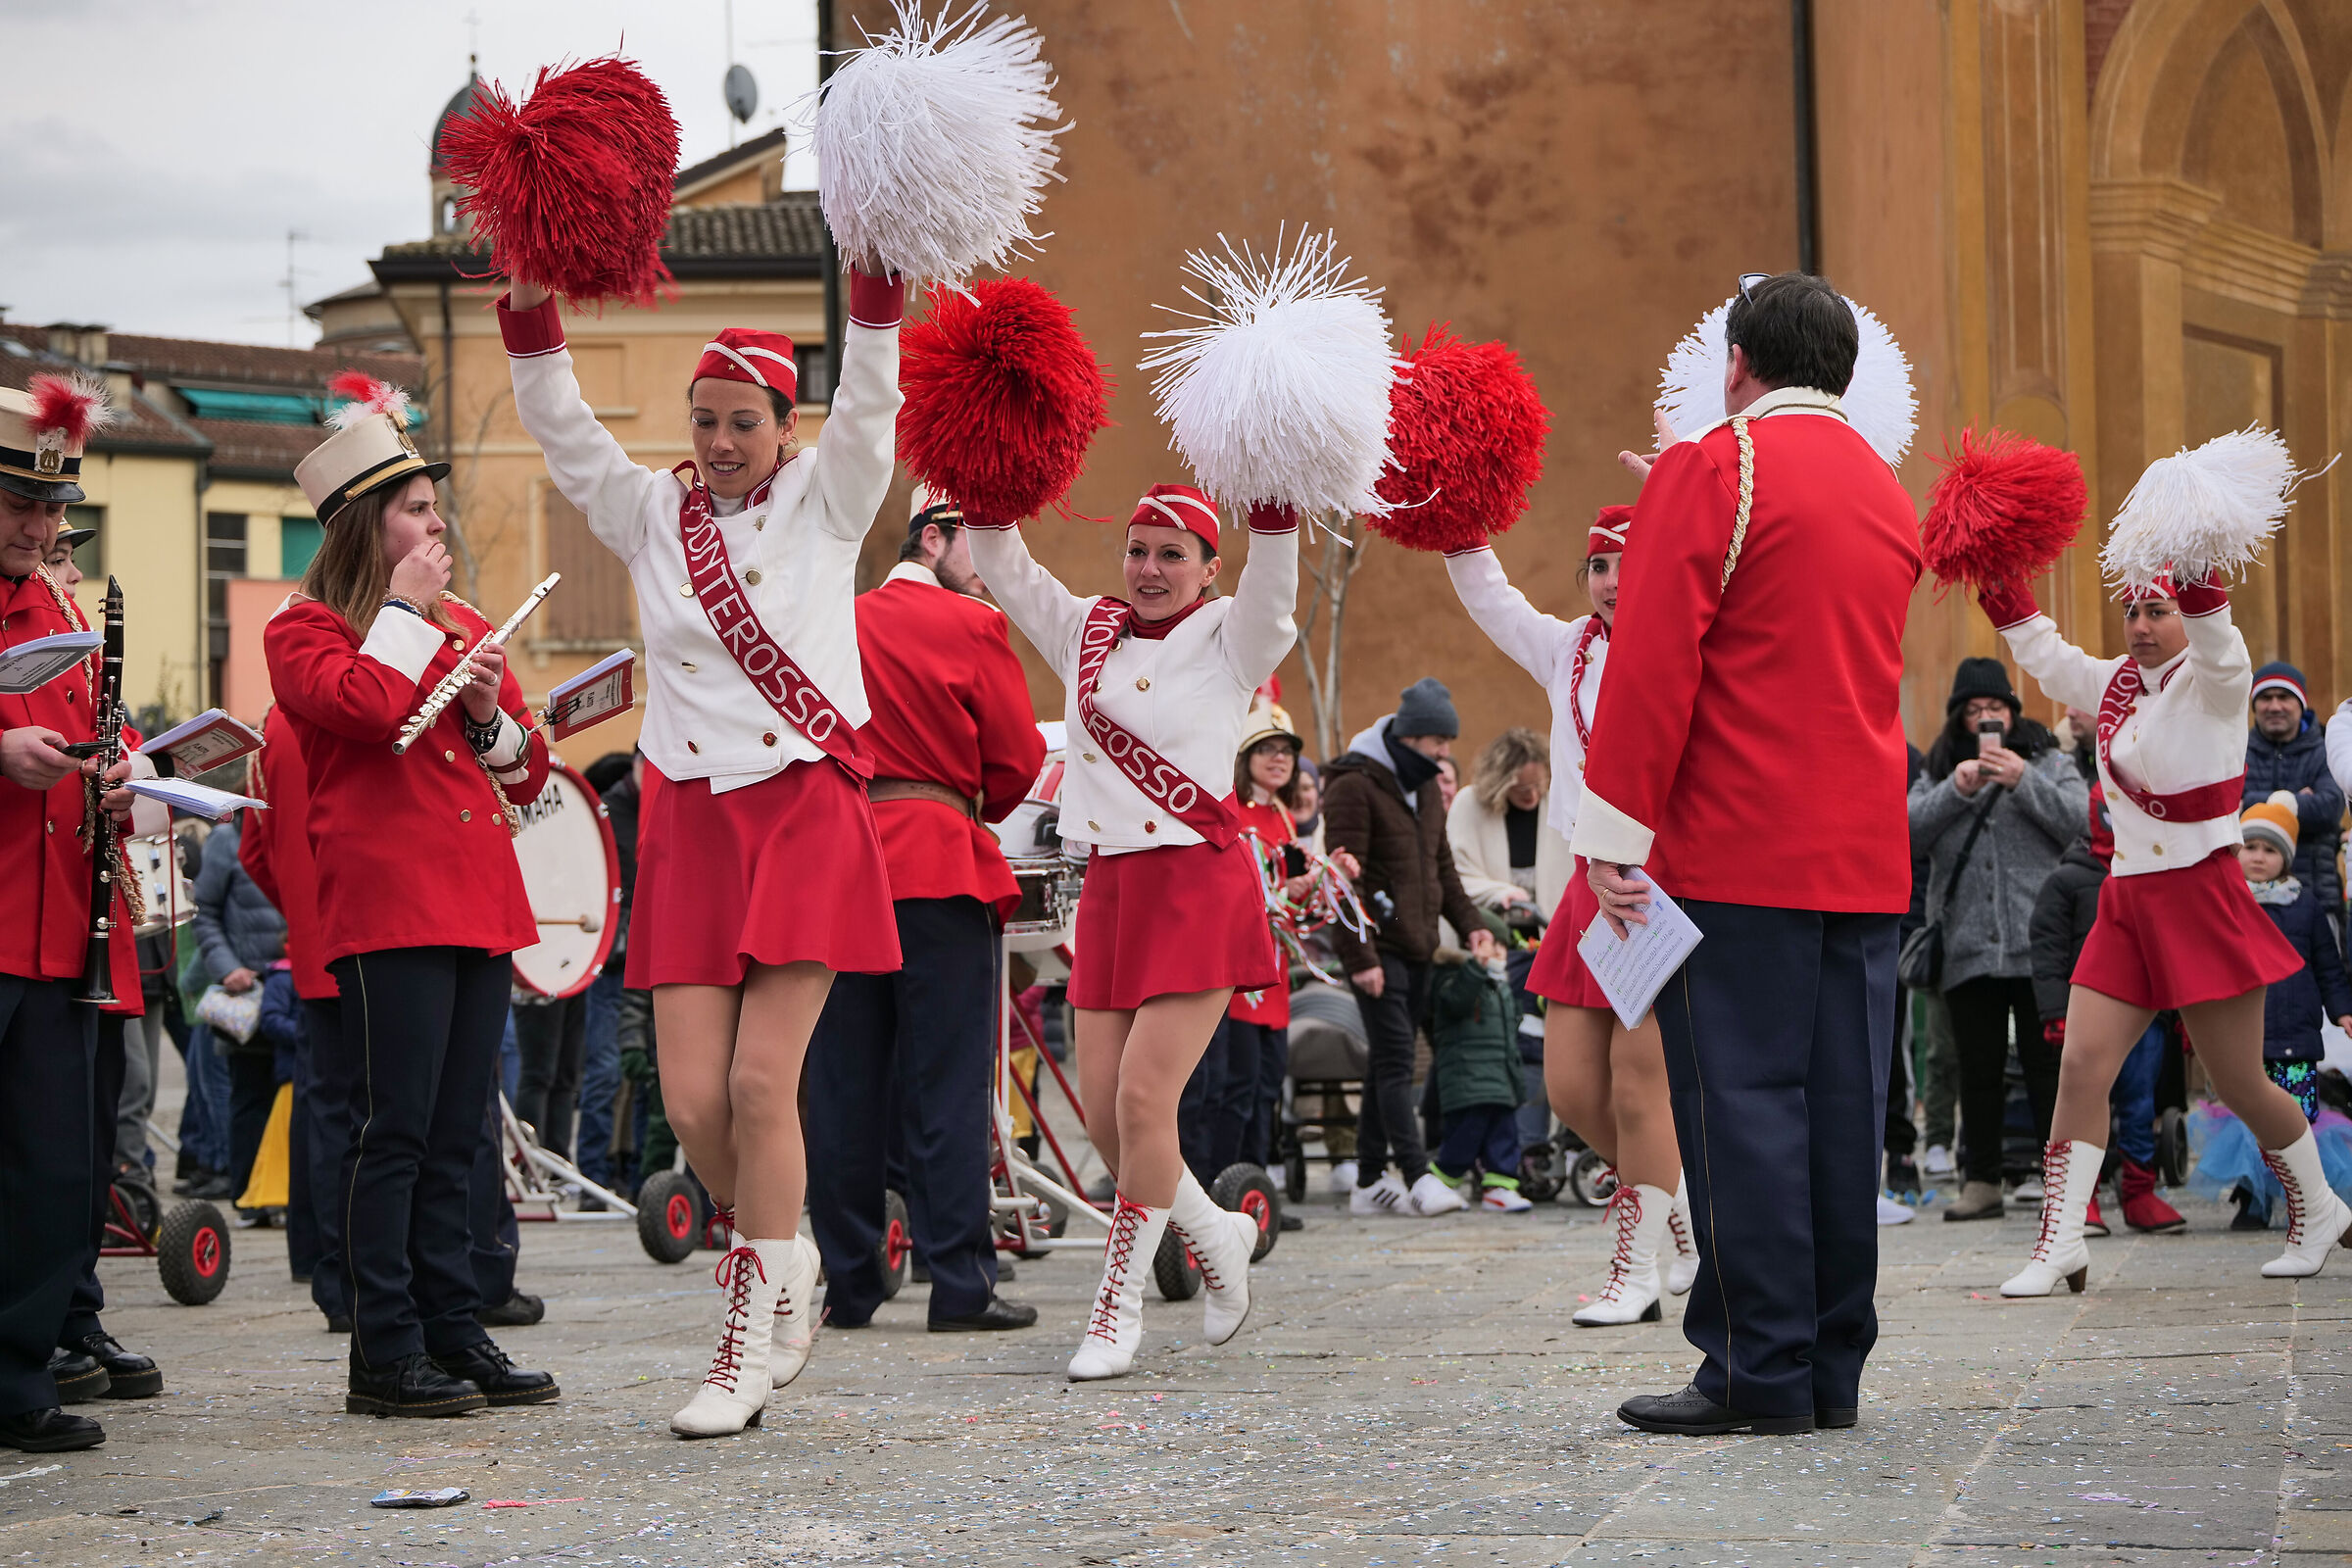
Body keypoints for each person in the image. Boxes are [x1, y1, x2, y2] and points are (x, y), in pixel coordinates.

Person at [501, 262, 906, 1437]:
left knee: (759, 1081)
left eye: (744, 423)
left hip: (801, 806)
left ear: (789, 428)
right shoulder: (648, 513)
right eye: (706, 421)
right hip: (688, 813)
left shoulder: (830, 498)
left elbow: (872, 397)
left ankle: (739, 1338)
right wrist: (531, 308)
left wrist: (876, 284)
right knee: (689, 1104)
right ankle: (791, 1265)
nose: (721, 441)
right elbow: (563, 429)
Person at [1577, 273, 1920, 1435]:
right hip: (1862, 851)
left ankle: (1755, 1369)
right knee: (1837, 1109)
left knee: (1741, 1107)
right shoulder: (1882, 487)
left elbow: (1655, 663)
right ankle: (1828, 1368)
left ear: (1735, 361)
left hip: (1738, 847)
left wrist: (1612, 834)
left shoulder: (1715, 468)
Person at [265, 383, 559, 1417]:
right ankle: (383, 1348)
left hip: (478, 895)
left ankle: (453, 1323)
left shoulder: (465, 622)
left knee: (459, 1129)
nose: (438, 528)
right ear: (366, 525)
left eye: (437, 510)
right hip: (388, 903)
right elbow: (362, 707)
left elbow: (529, 776)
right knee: (395, 1129)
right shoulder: (302, 631)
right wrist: (401, 613)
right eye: (419, 512)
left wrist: (487, 715)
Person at [969, 483, 1296, 1381]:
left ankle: (1119, 1303)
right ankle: (1218, 1237)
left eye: (1172, 554)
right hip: (1111, 886)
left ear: (1208, 567)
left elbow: (1275, 583)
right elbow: (1006, 565)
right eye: (1138, 549)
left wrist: (1273, 502)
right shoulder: (1086, 631)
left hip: (1197, 884)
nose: (1150, 570)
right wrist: (986, 478)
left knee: (1145, 1106)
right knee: (1116, 1123)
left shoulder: (1237, 633)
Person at [1980, 564, 2327, 1294]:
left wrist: (2196, 568)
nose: (2141, 625)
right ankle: (2061, 1242)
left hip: (2203, 895)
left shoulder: (2219, 679)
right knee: (2081, 1067)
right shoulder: (2112, 683)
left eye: (2159, 611)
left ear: (2186, 617)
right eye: (2133, 610)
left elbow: (2220, 639)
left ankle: (2319, 1209)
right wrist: (2001, 581)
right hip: (2127, 899)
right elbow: (2049, 657)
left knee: (2242, 1085)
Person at [1447, 506, 1703, 1319]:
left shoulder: (1698, 646)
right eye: (1598, 566)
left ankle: (1635, 1276)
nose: (1614, 582)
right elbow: (1491, 598)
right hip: (1586, 894)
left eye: (1630, 565)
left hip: (1660, 886)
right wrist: (1457, 518)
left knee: (1639, 1089)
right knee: (1567, 1088)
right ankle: (1685, 1205)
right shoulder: (1567, 650)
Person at [805, 494, 1044, 1335]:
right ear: (935, 537)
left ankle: (851, 1284)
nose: (988, 575)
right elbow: (1015, 762)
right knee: (946, 1083)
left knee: (840, 1086)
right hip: (940, 864)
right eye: (979, 552)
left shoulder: (833, 617)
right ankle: (960, 1285)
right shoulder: (972, 626)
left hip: (841, 868)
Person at [0, 380, 151, 1451]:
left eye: (52, 510)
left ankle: (18, 1375)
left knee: (56, 1172)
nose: (40, 527)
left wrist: (123, 768)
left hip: (58, 929)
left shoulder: (56, 604)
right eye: (18, 502)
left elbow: (105, 723)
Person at [1907, 658, 2087, 1220]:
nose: (1987, 717)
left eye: (1996, 708)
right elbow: (1907, 831)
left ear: (2013, 711)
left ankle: (2057, 1179)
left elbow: (2083, 821)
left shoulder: (2047, 760)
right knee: (1975, 1068)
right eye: (1975, 710)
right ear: (1960, 717)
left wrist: (2022, 781)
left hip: (2040, 946)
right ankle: (1981, 1181)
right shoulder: (1939, 768)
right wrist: (1957, 790)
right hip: (1968, 945)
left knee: (2046, 1066)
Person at [1322, 678, 1504, 1218]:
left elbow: (1440, 866)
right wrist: (1361, 959)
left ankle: (1370, 1179)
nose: (1445, 754)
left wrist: (1471, 925)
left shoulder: (1424, 786)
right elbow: (1341, 880)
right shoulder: (1353, 784)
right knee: (1399, 1059)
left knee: (1387, 1062)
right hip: (1380, 949)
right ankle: (1418, 1176)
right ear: (1411, 737)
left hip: (1419, 944)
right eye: (1438, 744)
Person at [2185, 794, 2352, 1226]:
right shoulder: (2223, 902)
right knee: (2247, 1118)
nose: (2259, 858)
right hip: (2243, 1035)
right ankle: (2251, 1198)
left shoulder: (2306, 907)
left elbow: (2328, 965)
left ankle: (2305, 1201)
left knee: (2298, 1119)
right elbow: (2202, 960)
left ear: (2288, 859)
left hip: (2296, 1034)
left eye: (2271, 850)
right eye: (2250, 847)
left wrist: (2342, 1011)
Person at [2029, 785, 2184, 1233]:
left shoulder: (2154, 876)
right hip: (2088, 1016)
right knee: (2084, 1101)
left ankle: (2139, 1192)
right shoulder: (2066, 881)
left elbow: (2170, 946)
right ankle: (2082, 1199)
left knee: (2139, 1104)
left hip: (2147, 1014)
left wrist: (2181, 1011)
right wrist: (2055, 1012)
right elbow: (2048, 951)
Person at [189, 812, 286, 1219]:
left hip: (299, 986)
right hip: (248, 991)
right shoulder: (226, 840)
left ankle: (289, 1193)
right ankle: (249, 1196)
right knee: (250, 1095)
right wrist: (227, 968)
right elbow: (204, 913)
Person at [1425, 944, 1531, 1210]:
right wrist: (1475, 968)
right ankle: (1440, 1181)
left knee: (1503, 1133)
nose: (1499, 952)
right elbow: (1455, 1002)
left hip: (1499, 1076)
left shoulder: (1498, 983)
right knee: (1465, 1133)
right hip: (1468, 1075)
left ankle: (1500, 1187)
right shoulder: (1453, 976)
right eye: (1492, 946)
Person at [2243, 663, 2343, 943]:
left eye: (2284, 697)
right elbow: (2228, 809)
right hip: (2249, 904)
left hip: (2318, 899)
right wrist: (2295, 801)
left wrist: (2251, 804)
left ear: (2301, 703)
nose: (2274, 706)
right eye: (2265, 698)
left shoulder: (2326, 748)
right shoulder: (2236, 750)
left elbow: (2329, 808)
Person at [1448, 727, 1571, 924]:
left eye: (1538, 785)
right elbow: (1456, 876)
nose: (1532, 795)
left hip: (1551, 935)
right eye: (1522, 788)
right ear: (1500, 782)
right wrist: (1500, 893)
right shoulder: (1469, 804)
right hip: (1487, 936)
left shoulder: (1561, 804)